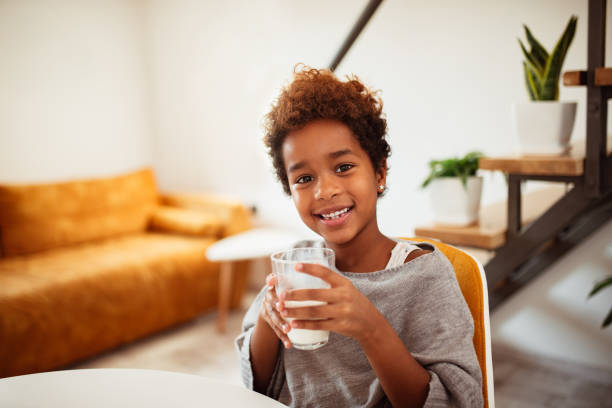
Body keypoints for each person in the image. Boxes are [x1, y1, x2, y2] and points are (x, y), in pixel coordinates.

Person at [235, 65, 483, 408]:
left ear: (379, 173)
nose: (325, 190)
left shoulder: (425, 277)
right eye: (304, 179)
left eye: (343, 167)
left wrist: (369, 326)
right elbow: (256, 385)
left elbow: (460, 400)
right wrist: (268, 315)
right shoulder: (296, 265)